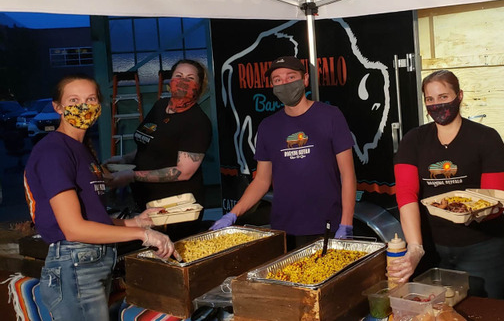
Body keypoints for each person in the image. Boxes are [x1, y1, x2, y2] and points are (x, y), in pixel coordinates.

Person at [23, 74, 175, 321]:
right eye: (74, 100)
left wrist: (136, 222)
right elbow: (74, 229)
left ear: (99, 106)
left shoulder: (81, 149)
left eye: (90, 99)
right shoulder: (55, 151)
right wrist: (143, 235)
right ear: (57, 107)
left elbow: (91, 216)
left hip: (89, 262)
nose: (83, 106)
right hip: (74, 264)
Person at [210, 56, 357, 250]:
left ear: (304, 80)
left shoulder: (330, 116)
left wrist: (346, 222)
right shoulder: (268, 126)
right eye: (277, 80)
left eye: (290, 77)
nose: (284, 83)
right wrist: (232, 214)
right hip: (284, 228)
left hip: (326, 225)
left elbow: (348, 174)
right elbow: (262, 181)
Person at [388, 70, 504, 299]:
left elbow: (496, 197)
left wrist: (475, 211)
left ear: (459, 96)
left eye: (443, 97)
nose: (436, 104)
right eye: (430, 99)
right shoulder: (413, 140)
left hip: (483, 247)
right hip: (432, 249)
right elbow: (406, 193)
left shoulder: (486, 138)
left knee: (484, 311)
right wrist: (415, 247)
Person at [106, 59, 212, 239]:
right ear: (170, 80)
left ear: (199, 86)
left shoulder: (197, 122)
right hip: (146, 202)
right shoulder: (160, 107)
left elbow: (183, 172)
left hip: (176, 209)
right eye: (178, 76)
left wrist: (132, 175)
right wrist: (126, 160)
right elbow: (149, 143)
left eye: (190, 77)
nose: (183, 81)